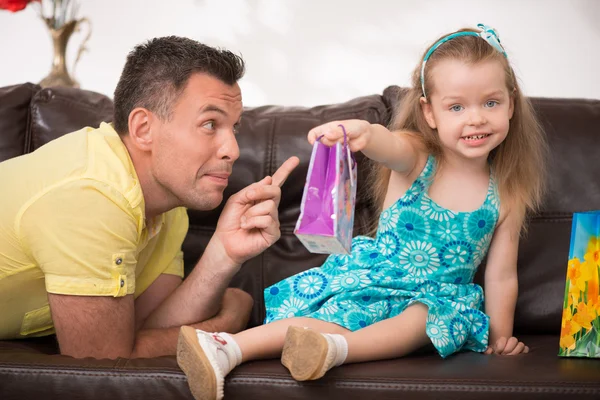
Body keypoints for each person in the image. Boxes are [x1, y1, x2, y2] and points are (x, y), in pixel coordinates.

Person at [176, 23, 548, 400]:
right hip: (376, 277)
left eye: (491, 102)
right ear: (430, 113)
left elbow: (501, 277)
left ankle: (333, 351)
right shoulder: (419, 156)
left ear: (511, 104)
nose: (476, 118)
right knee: (327, 319)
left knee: (423, 318)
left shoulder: (506, 194)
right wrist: (365, 134)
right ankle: (225, 347)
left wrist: (501, 339)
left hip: (436, 298)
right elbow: (389, 145)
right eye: (456, 106)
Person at [0, 36, 299, 359]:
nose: (233, 150)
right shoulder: (93, 195)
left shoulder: (168, 205)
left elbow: (150, 326)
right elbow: (104, 360)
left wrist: (224, 254)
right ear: (143, 128)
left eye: (234, 128)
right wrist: (227, 325)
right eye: (210, 124)